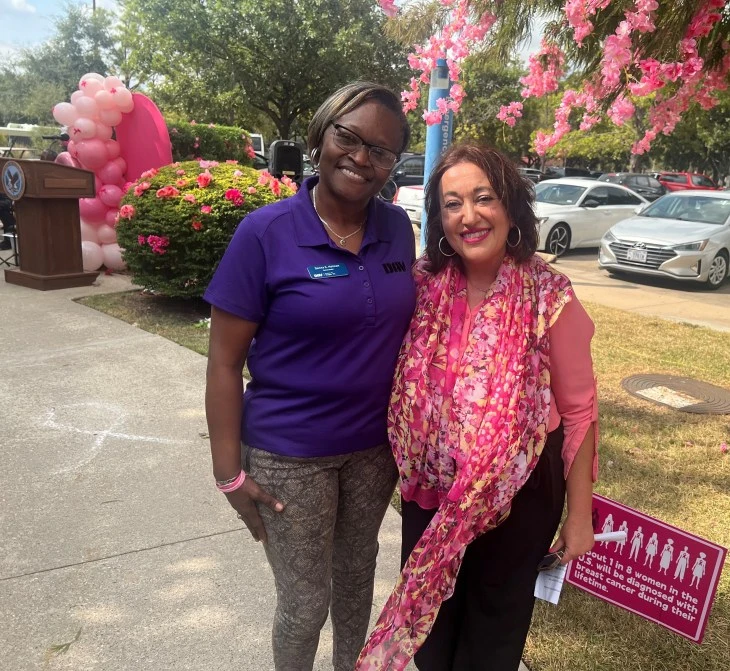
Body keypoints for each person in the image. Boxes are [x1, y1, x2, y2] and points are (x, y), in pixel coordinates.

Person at [357, 144, 598, 671]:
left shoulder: (549, 296)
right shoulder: (421, 286)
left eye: (483, 198)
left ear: (510, 207)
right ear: (439, 219)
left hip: (520, 492)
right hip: (433, 489)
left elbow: (580, 411)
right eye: (452, 204)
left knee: (492, 635)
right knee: (432, 632)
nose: (469, 216)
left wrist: (580, 516)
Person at [204, 81, 416, 671]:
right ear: (320, 136)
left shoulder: (398, 229)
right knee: (304, 603)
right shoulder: (265, 233)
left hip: (375, 451)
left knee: (356, 583)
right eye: (348, 137)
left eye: (381, 150)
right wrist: (228, 471)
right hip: (288, 455)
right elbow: (223, 362)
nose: (360, 157)